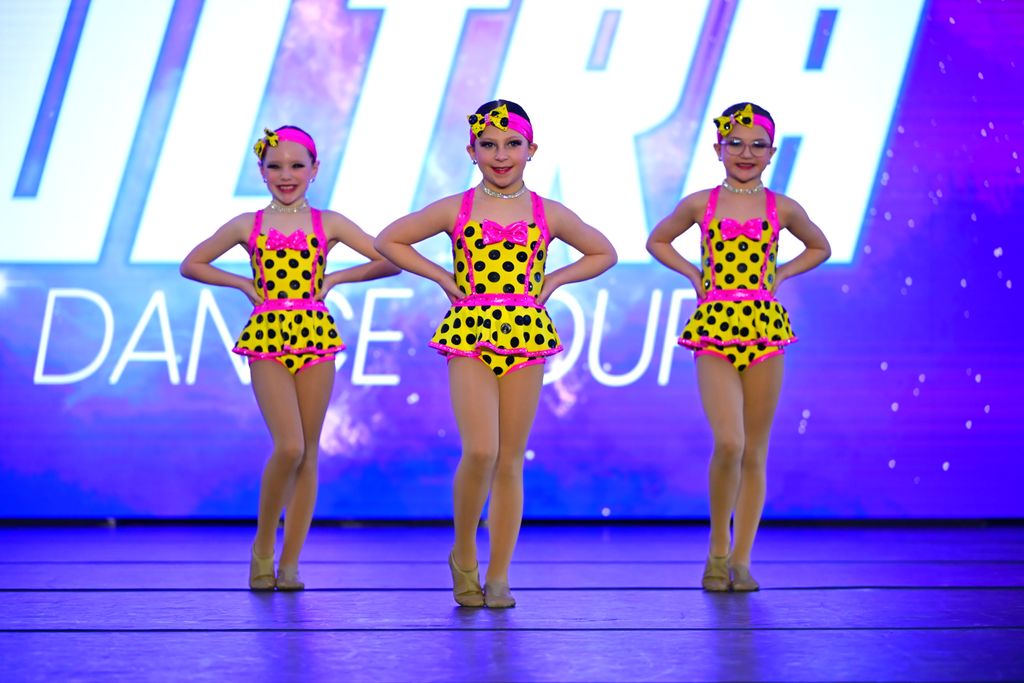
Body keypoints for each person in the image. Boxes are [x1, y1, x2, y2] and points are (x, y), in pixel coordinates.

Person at [374, 100, 617, 607]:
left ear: (532, 150)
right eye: (489, 145)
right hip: (470, 331)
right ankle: (464, 552)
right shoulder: (456, 207)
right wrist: (442, 277)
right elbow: (389, 240)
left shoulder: (547, 211)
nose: (501, 155)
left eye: (512, 144)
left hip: (525, 332)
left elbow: (604, 252)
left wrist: (554, 280)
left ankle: (500, 573)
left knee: (509, 459)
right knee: (481, 450)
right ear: (472, 151)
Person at [180, 125, 398, 591]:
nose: (286, 175)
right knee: (290, 446)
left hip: (315, 334)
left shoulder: (328, 222)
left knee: (309, 451)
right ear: (261, 171)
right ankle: (263, 546)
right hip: (267, 336)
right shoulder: (247, 224)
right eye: (275, 166)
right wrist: (242, 283)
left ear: (315, 169)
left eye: (297, 165)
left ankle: (291, 562)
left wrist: (336, 278)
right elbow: (192, 263)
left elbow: (389, 259)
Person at [646, 103, 831, 591]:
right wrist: (693, 274)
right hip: (714, 326)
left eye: (757, 145)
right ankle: (717, 548)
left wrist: (782, 273)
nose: (746, 153)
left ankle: (742, 559)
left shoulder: (782, 207)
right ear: (718, 148)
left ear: (772, 152)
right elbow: (658, 241)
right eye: (736, 143)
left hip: (764, 327)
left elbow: (820, 246)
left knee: (755, 449)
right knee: (730, 441)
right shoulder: (699, 204)